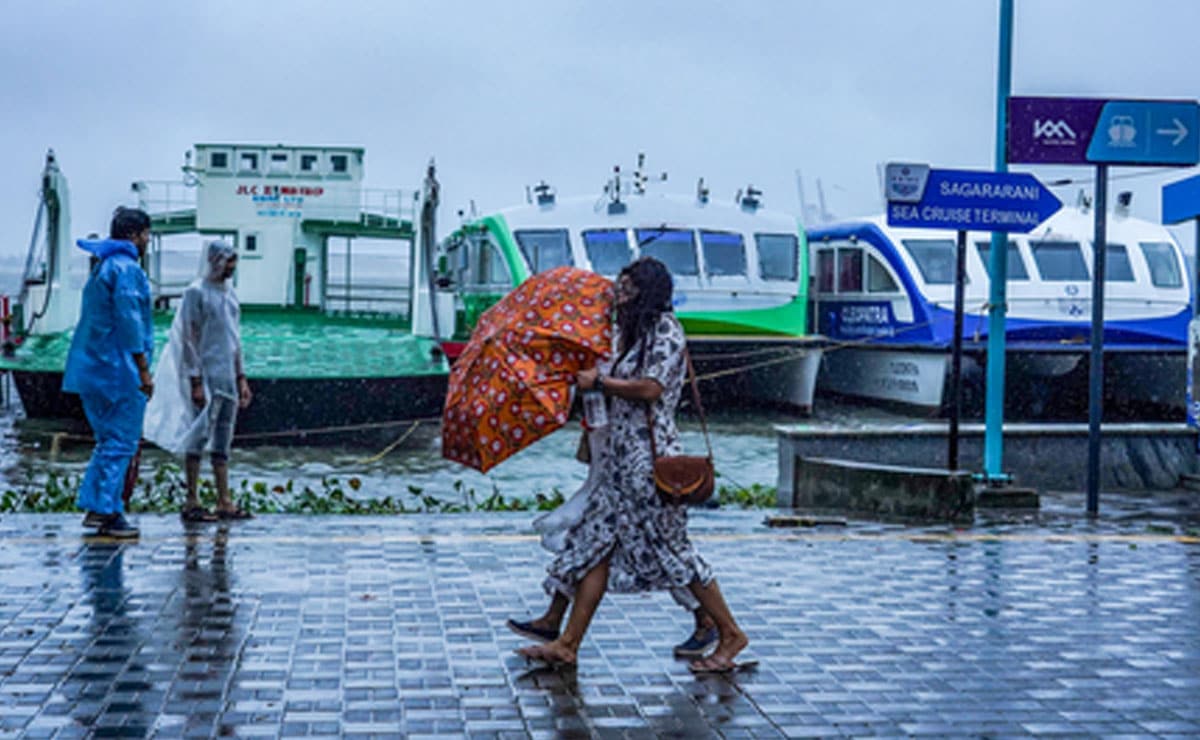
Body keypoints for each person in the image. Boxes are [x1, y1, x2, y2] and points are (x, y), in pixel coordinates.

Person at [514, 257, 749, 673]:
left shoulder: (666, 331)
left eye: (628, 289)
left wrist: (601, 383)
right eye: (619, 286)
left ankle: (729, 632)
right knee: (592, 545)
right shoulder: (630, 335)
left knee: (673, 551)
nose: (619, 295)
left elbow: (651, 388)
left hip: (650, 462)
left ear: (648, 292)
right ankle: (567, 643)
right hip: (619, 463)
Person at [508, 413, 719, 660]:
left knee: (664, 550)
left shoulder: (626, 393)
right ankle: (562, 632)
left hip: (641, 463)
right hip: (617, 460)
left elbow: (650, 393)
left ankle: (717, 623)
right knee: (591, 542)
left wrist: (599, 390)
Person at [145, 240, 253, 520]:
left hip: (227, 377)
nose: (231, 267)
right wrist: (194, 380)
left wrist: (241, 377)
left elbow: (235, 340)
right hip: (205, 375)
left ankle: (224, 500)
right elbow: (189, 338)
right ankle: (192, 500)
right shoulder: (196, 292)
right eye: (228, 261)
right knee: (198, 435)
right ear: (215, 260)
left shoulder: (230, 294)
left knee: (223, 436)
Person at [64, 207, 155, 539]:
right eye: (145, 234)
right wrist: (143, 370)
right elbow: (131, 322)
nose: (147, 241)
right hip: (120, 371)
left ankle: (97, 506)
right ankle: (108, 511)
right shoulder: (127, 270)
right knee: (121, 443)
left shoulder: (103, 267)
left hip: (94, 368)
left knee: (106, 442)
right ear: (133, 235)